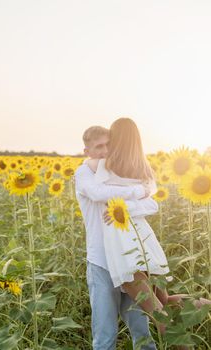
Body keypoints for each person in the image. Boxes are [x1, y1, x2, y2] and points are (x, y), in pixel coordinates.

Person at [85, 118, 211, 342]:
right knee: (165, 302)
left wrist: (122, 205)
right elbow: (151, 197)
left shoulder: (101, 166)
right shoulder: (142, 169)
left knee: (159, 315)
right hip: (145, 243)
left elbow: (93, 183)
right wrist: (135, 196)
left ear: (116, 140)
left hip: (125, 253)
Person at [75, 125, 158, 350]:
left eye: (108, 145)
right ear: (87, 151)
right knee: (105, 337)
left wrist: (129, 205)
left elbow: (153, 202)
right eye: (98, 146)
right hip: (101, 263)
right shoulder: (84, 173)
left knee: (142, 334)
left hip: (129, 262)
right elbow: (97, 193)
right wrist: (138, 192)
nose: (104, 151)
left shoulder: (118, 173)